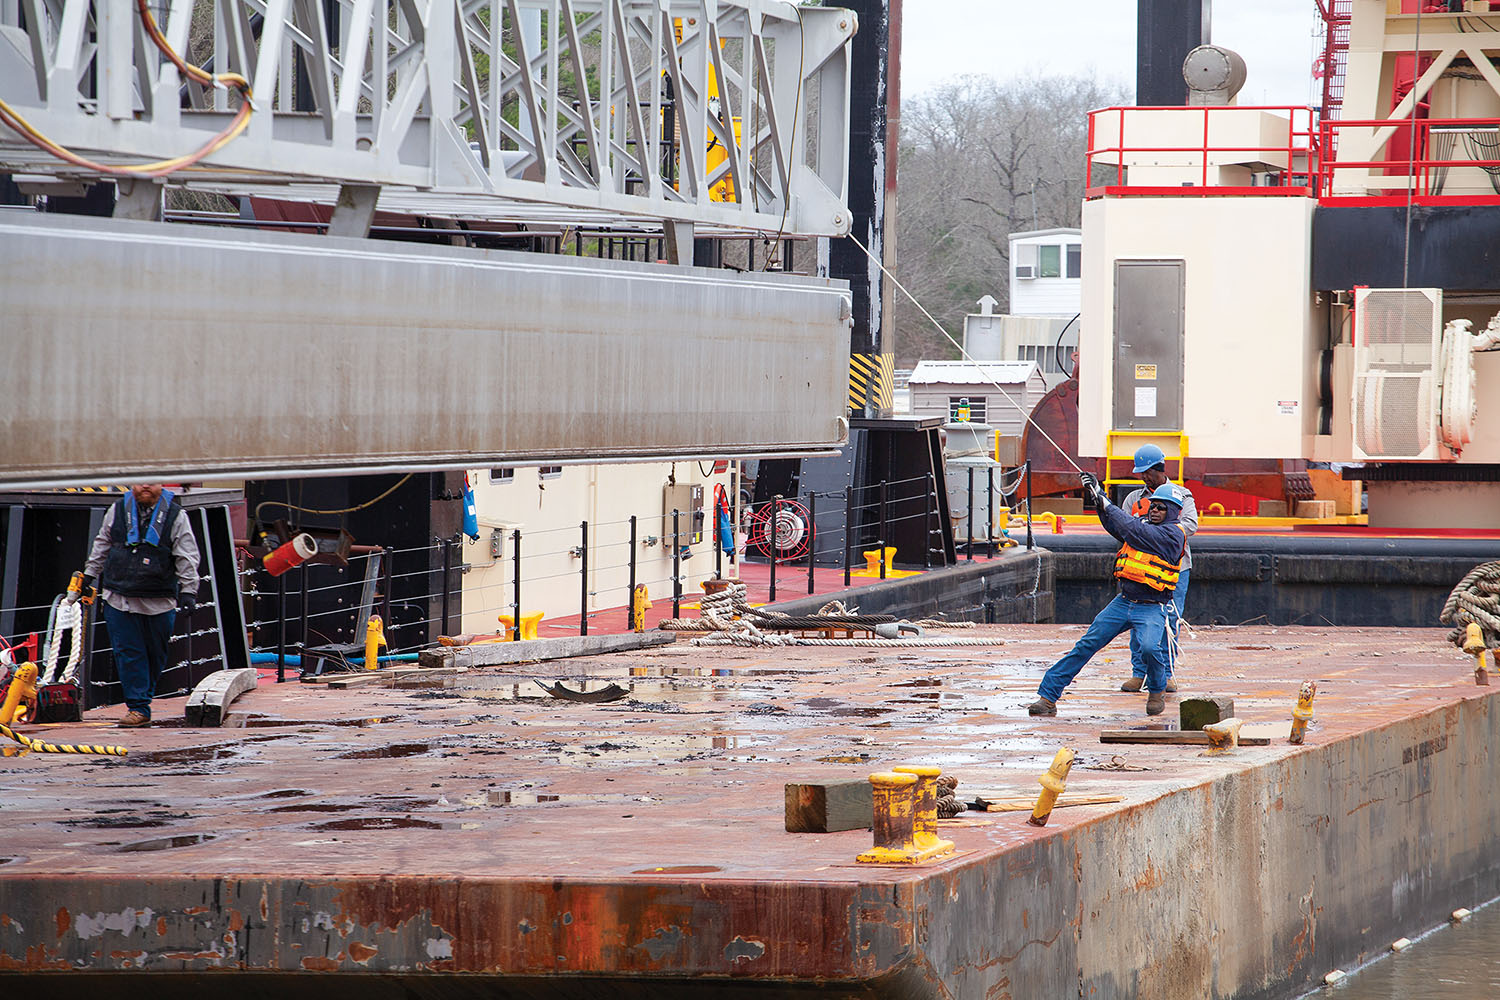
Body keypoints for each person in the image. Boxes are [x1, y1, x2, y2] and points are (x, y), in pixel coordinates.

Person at [1029, 477, 1189, 718]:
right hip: (1123, 602)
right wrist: (1098, 498)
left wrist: (1107, 503)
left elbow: (1130, 528)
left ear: (1174, 512)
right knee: (1086, 645)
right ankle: (1048, 697)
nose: (1154, 510)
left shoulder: (1172, 535)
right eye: (1152, 505)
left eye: (1160, 507)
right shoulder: (1141, 526)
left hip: (1151, 607)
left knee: (1148, 647)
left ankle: (1156, 689)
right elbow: (1116, 526)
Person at [68, 485, 199, 727]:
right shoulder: (117, 511)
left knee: (155, 655)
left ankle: (142, 698)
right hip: (120, 598)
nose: (145, 486)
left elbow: (186, 554)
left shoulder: (176, 516)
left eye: (151, 481)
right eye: (140, 481)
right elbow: (102, 544)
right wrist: (89, 575)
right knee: (129, 653)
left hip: (159, 601)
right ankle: (138, 707)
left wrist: (189, 591)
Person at [1117, 445, 1197, 694]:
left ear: (1160, 469)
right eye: (1141, 472)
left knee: (1170, 619)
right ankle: (1138, 673)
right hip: (1139, 569)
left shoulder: (1183, 495)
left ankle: (1166, 674)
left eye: (1148, 471)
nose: (1144, 476)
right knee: (1137, 618)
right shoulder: (1132, 499)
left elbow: (1190, 525)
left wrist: (1156, 532)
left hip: (1174, 569)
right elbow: (1122, 526)